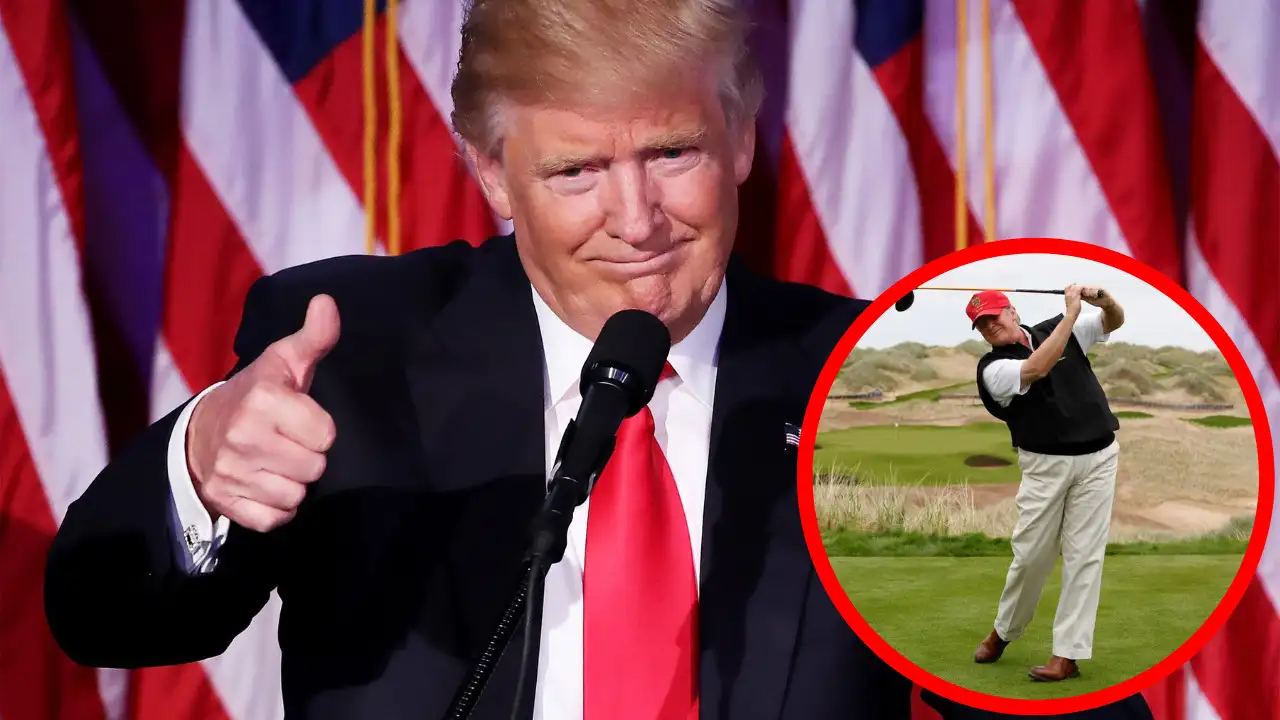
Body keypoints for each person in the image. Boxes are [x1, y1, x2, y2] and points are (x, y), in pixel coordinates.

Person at [44, 1, 1150, 718]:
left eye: (672, 152)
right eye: (575, 171)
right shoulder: (355, 353)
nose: (637, 218)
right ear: (490, 171)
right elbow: (108, 617)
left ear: (743, 135)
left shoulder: (878, 388)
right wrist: (199, 469)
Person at [967, 286, 1126, 682]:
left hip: (1100, 458)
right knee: (1032, 557)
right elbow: (1037, 367)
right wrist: (1071, 314)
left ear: (1012, 311)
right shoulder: (993, 369)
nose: (990, 326)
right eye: (981, 324)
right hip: (1046, 466)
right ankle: (1005, 632)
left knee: (1085, 556)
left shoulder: (1058, 328)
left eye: (994, 316)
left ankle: (1067, 656)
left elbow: (1113, 322)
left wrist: (1105, 302)